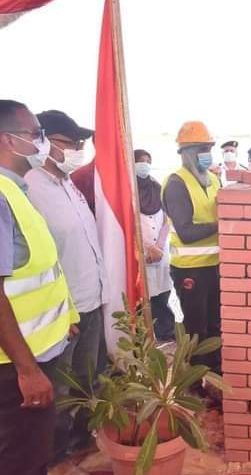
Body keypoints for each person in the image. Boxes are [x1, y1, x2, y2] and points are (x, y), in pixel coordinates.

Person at [0, 100, 79, 475]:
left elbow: (40, 270)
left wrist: (65, 318)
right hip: (14, 369)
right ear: (7, 140)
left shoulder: (17, 191)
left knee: (33, 453)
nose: (41, 143)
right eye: (36, 134)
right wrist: (27, 370)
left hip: (34, 355)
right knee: (22, 461)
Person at [25, 110, 109, 459]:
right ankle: (56, 453)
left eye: (79, 144)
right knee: (62, 387)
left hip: (92, 300)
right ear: (44, 142)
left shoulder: (69, 185)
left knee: (89, 378)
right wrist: (64, 311)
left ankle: (81, 440)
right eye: (69, 143)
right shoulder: (30, 188)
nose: (77, 149)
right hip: (64, 312)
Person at [162, 121, 221, 375]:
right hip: (191, 270)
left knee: (216, 325)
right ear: (187, 152)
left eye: (209, 148)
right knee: (197, 330)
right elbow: (186, 233)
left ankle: (215, 374)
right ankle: (196, 380)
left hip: (215, 267)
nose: (207, 154)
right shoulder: (177, 184)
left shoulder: (214, 179)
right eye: (202, 149)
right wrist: (221, 225)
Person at [134, 149, 175, 343]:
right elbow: (128, 224)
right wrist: (147, 247)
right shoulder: (128, 191)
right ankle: (143, 338)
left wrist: (158, 246)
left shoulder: (157, 187)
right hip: (139, 251)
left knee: (162, 294)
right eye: (141, 161)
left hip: (161, 250)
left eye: (148, 161)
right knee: (142, 297)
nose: (145, 165)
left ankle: (166, 332)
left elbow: (167, 220)